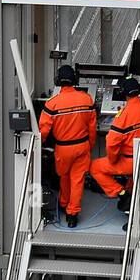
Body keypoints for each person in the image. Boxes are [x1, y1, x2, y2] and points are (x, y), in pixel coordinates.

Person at [38, 64, 97, 228]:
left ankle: (64, 203)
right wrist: (90, 145)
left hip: (63, 149)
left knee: (64, 176)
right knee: (77, 180)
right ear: (75, 80)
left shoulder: (52, 104)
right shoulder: (87, 99)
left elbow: (43, 130)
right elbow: (92, 128)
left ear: (57, 81)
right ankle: (72, 215)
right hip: (82, 146)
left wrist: (38, 147)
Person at [90, 78, 140, 210]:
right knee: (133, 177)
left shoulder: (123, 115)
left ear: (123, 93)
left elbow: (111, 143)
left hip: (130, 162)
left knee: (94, 167)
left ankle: (122, 194)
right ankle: (131, 193)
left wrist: (113, 159)